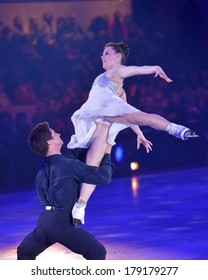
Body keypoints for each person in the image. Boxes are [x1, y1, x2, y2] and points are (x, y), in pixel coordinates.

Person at [67, 41, 198, 226]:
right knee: (93, 166)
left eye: (106, 53)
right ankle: (80, 206)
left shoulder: (116, 70)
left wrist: (154, 68)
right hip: (100, 121)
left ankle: (175, 128)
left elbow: (135, 70)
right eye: (102, 54)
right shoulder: (116, 88)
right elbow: (127, 114)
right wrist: (140, 134)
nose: (102, 57)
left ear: (117, 56)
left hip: (104, 119)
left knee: (139, 118)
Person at [17, 121, 114, 260]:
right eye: (54, 133)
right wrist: (107, 154)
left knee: (25, 252)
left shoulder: (43, 168)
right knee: (97, 252)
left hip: (44, 223)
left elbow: (74, 156)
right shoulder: (68, 165)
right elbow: (104, 177)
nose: (59, 133)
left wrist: (95, 136)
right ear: (50, 142)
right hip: (61, 223)